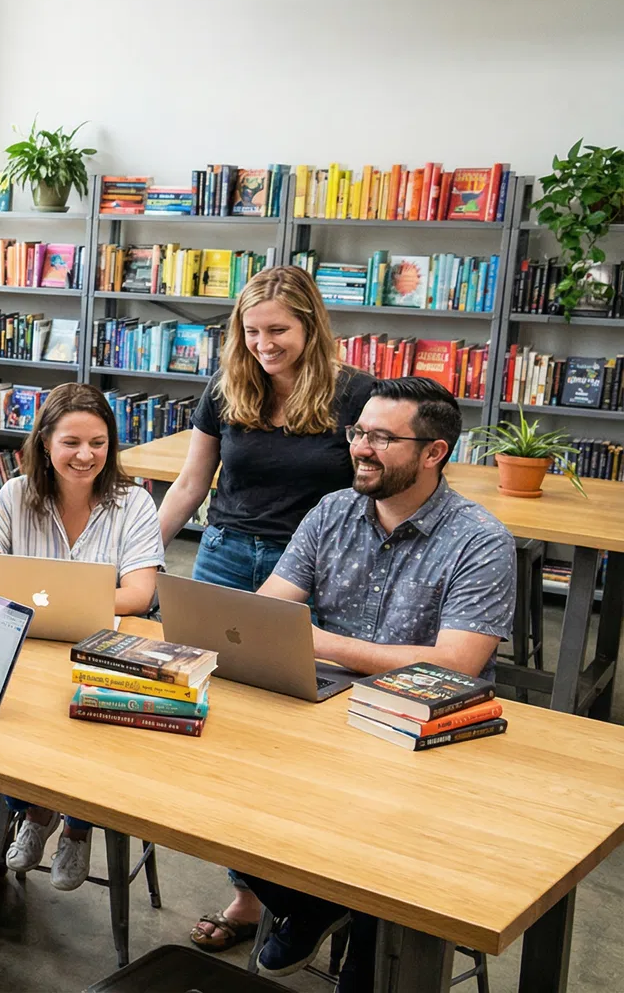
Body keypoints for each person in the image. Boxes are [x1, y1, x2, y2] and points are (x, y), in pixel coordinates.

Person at [242, 376, 515, 990]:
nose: (361, 448)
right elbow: (268, 612)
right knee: (207, 790)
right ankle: (314, 904)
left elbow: (455, 666)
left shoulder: (479, 539)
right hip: (325, 715)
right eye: (358, 432)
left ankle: (364, 941)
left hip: (426, 736)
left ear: (433, 452)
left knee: (384, 856)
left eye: (382, 438)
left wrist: (319, 642)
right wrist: (278, 632)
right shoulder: (332, 510)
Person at [161, 266, 377, 950]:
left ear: (311, 324)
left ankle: (305, 882)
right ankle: (249, 894)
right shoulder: (227, 388)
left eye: (277, 330)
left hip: (311, 570)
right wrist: (138, 552)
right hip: (225, 556)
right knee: (215, 723)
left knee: (288, 732)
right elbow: (193, 482)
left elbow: (374, 492)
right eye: (251, 331)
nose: (263, 344)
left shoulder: (358, 395)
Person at [0, 383, 163, 889]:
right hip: (31, 646)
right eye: (71, 442)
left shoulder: (134, 503)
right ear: (45, 442)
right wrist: (75, 596)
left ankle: (76, 824)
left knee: (89, 718)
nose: (85, 455)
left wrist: (69, 601)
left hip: (101, 656)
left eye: (98, 442)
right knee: (3, 715)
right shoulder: (15, 494)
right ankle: (35, 811)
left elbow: (138, 594)